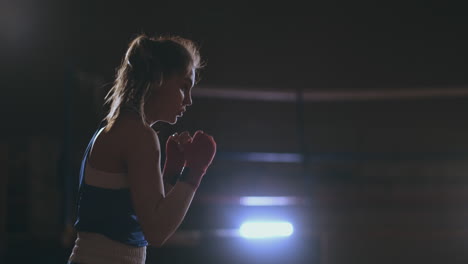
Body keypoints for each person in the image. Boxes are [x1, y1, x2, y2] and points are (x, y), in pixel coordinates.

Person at [67, 33, 217, 264]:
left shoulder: (117, 128)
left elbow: (145, 211)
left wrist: (172, 172)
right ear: (158, 79)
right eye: (183, 86)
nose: (188, 100)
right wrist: (195, 171)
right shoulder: (139, 135)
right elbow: (157, 232)